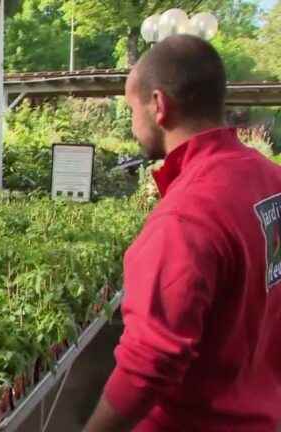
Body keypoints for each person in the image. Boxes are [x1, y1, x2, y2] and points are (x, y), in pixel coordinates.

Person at [85, 34, 281, 431]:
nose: (132, 123)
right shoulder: (270, 180)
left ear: (159, 105)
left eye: (131, 108)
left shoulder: (184, 218)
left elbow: (147, 366)